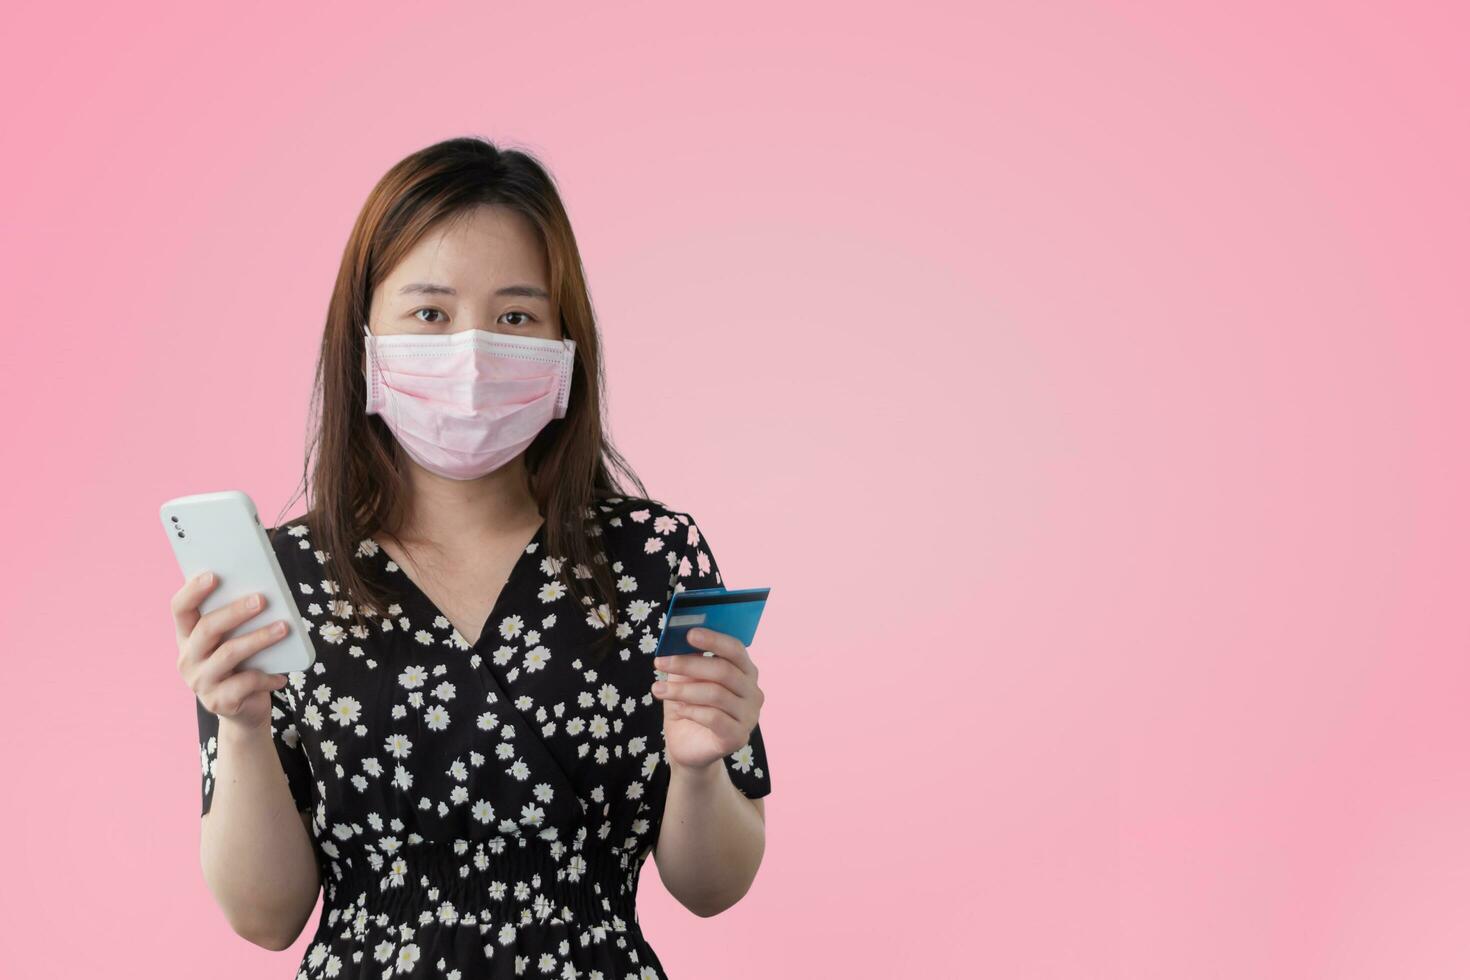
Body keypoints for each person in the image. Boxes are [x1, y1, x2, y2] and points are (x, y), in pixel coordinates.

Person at [172, 136, 772, 979]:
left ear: (567, 345)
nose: (473, 351)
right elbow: (266, 920)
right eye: (430, 314)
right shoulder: (285, 577)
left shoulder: (655, 559)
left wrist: (698, 768)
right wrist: (240, 729)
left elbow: (712, 889)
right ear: (365, 338)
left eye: (517, 316)